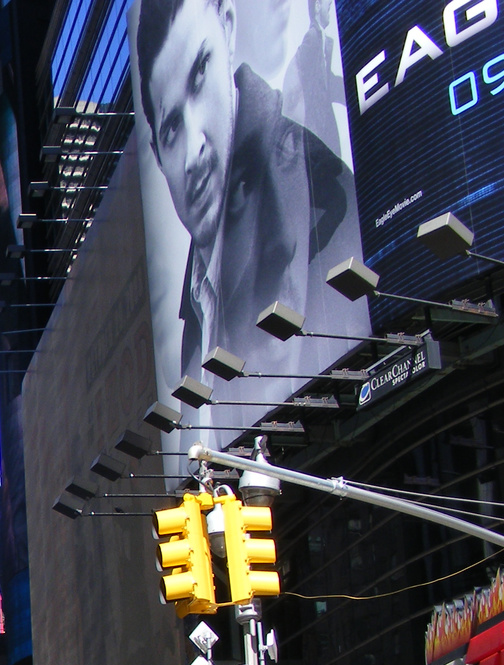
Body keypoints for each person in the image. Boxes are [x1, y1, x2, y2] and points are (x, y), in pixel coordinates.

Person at [132, 0, 360, 387]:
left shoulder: (320, 196)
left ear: (229, 29)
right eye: (172, 128)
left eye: (200, 72)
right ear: (156, 154)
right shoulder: (195, 293)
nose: (193, 151)